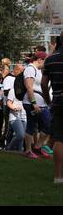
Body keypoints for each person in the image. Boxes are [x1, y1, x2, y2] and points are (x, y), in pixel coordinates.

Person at [41, 33, 63, 184]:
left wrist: (49, 100)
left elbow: (43, 84)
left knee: (59, 139)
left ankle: (58, 177)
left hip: (58, 102)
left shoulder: (50, 59)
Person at [23, 51, 52, 159]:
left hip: (40, 103)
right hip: (32, 104)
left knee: (40, 125)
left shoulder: (38, 70)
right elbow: (29, 88)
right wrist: (34, 103)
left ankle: (36, 148)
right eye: (45, 60)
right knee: (33, 126)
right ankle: (30, 150)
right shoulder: (30, 69)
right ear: (40, 60)